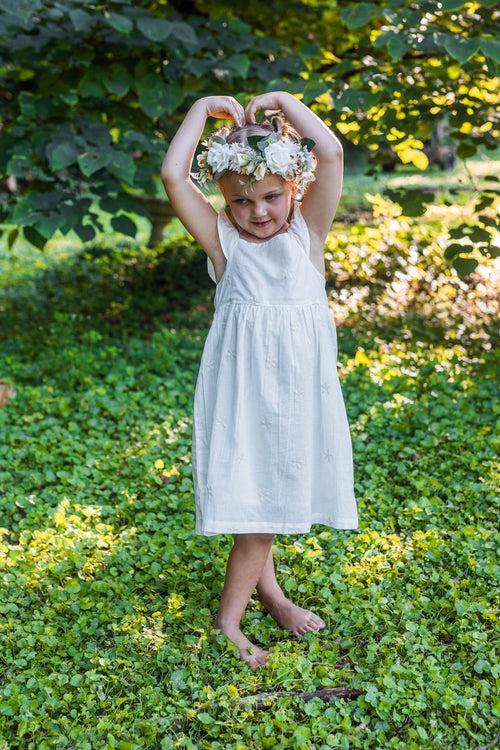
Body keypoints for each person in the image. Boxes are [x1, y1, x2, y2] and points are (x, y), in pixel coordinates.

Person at [161, 91, 358, 669]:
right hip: (244, 394)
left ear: (295, 187)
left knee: (262, 499)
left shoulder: (307, 236)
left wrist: (283, 103)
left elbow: (332, 151)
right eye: (242, 201)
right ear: (223, 199)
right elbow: (174, 175)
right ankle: (229, 622)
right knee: (260, 511)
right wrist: (200, 110)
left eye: (272, 196)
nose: (260, 211)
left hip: (298, 396)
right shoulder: (224, 245)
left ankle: (269, 593)